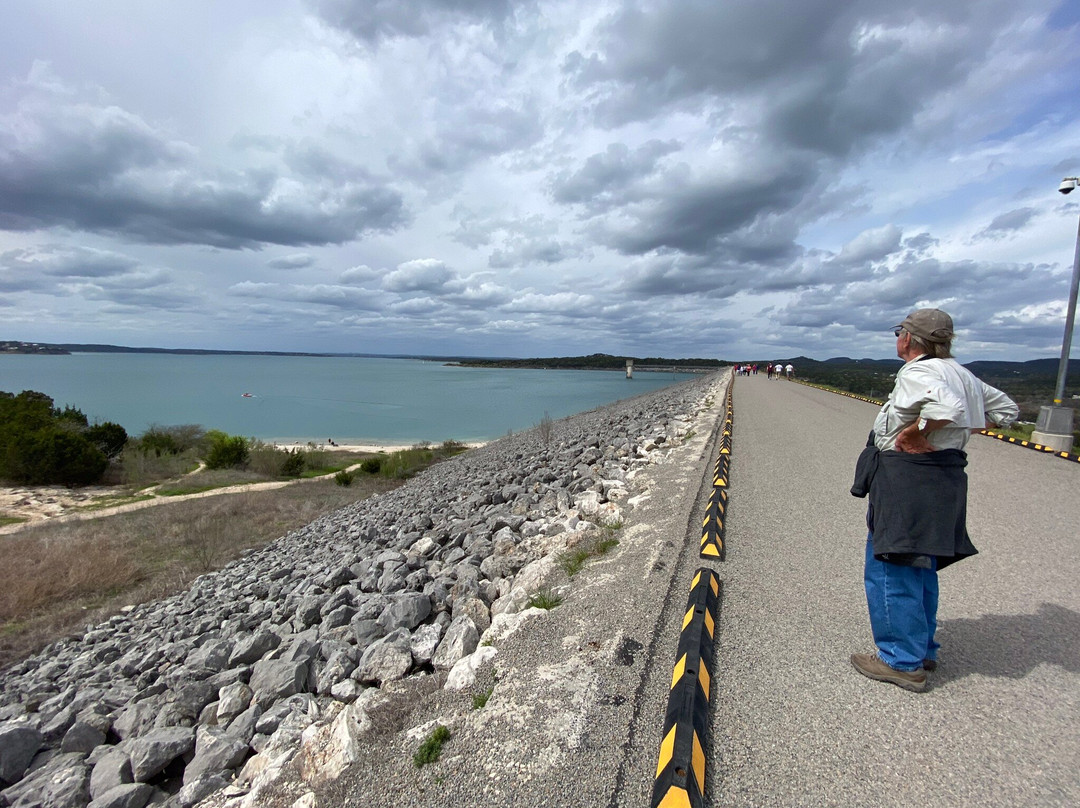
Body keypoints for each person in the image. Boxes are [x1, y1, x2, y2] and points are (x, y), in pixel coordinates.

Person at [850, 309, 1018, 691]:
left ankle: (900, 660)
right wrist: (953, 432)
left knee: (891, 561)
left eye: (899, 332)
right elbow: (1006, 410)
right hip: (944, 474)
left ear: (909, 338)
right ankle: (923, 648)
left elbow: (949, 409)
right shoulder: (962, 374)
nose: (898, 338)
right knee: (920, 562)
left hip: (907, 477)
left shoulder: (918, 372)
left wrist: (914, 433)